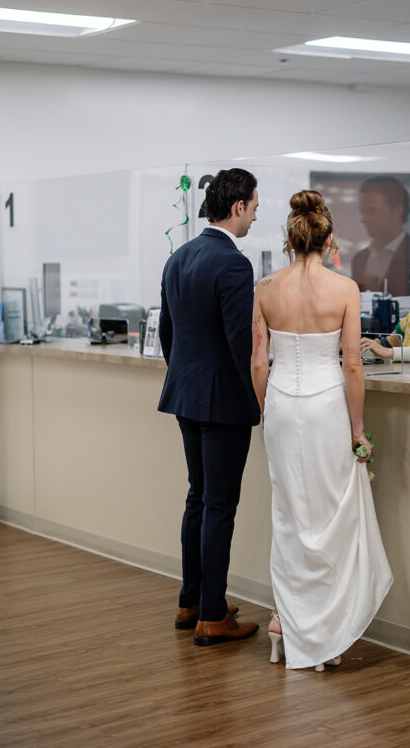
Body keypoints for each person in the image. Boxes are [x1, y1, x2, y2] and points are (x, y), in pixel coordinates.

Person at [251, 190, 393, 672]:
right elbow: (352, 364)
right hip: (327, 406)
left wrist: (267, 410)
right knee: (331, 515)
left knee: (289, 513)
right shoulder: (345, 290)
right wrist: (358, 429)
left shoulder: (266, 287)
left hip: (281, 409)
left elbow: (258, 362)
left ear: (289, 239)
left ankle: (281, 620)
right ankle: (325, 630)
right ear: (329, 239)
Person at [158, 168, 261, 647]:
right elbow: (243, 343)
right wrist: (258, 397)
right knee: (220, 505)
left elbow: (167, 335)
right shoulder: (234, 265)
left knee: (198, 498)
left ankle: (192, 599)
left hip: (185, 395)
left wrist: (186, 379)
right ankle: (214, 616)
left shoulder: (178, 257)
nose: (256, 215)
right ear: (238, 207)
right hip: (222, 402)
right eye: (255, 207)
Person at [351, 175, 410, 295]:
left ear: (398, 212)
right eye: (362, 212)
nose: (363, 219)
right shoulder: (359, 259)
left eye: (372, 212)